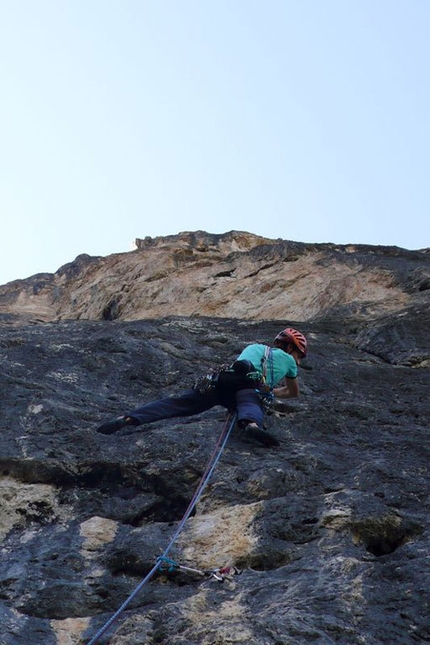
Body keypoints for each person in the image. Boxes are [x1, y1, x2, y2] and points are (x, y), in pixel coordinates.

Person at [96, 327, 307, 447]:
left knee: (180, 403)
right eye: (298, 354)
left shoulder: (254, 347)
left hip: (223, 380)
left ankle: (130, 418)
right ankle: (251, 426)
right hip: (248, 386)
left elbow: (243, 367)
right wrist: (269, 390)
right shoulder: (288, 361)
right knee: (250, 402)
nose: (298, 361)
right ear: (290, 348)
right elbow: (293, 392)